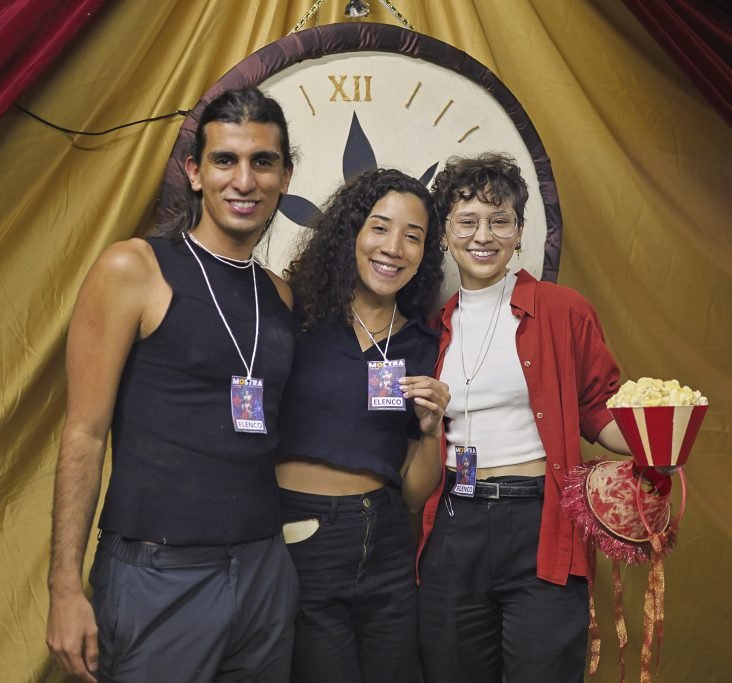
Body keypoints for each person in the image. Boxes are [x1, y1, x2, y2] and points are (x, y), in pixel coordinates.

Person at [45, 88, 299, 683]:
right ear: (194, 172)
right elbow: (83, 432)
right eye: (225, 160)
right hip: (158, 573)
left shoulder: (281, 296)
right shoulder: (134, 268)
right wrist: (63, 588)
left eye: (263, 161)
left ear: (285, 176)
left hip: (265, 568)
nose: (244, 180)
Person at [416, 153, 633, 683]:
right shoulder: (430, 328)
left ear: (519, 231)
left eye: (499, 220)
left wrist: (655, 441)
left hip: (540, 520)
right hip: (454, 522)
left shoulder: (562, 309)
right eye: (467, 221)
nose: (482, 235)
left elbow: (599, 407)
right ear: (444, 233)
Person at [278, 168, 449, 683]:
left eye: (412, 236)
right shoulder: (295, 319)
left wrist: (429, 429)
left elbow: (416, 495)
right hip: (303, 533)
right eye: (379, 228)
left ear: (424, 255)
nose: (393, 247)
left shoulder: (423, 344)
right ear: (350, 233)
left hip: (388, 544)